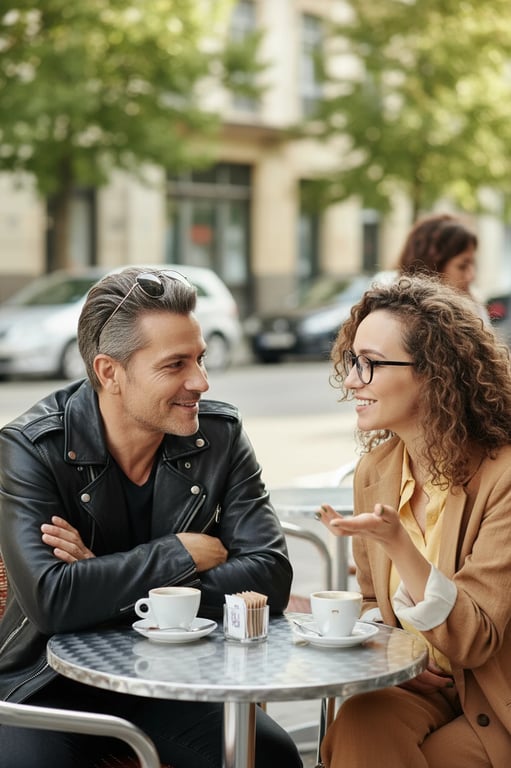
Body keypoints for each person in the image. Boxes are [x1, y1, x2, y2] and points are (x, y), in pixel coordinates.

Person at [0, 267, 302, 768]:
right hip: (43, 682)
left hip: (170, 677)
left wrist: (108, 577)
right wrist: (179, 553)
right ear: (109, 372)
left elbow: (271, 576)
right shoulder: (32, 447)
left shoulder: (219, 436)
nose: (200, 381)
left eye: (200, 359)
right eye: (175, 365)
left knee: (271, 756)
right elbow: (52, 601)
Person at [315, 275, 511, 768]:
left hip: (496, 697)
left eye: (372, 364)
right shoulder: (376, 470)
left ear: (435, 373)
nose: (353, 380)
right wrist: (391, 652)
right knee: (358, 723)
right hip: (422, 687)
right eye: (352, 361)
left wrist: (400, 545)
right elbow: (370, 604)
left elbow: (474, 638)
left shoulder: (502, 476)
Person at [396, 212, 489, 322]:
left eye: (473, 264)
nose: (471, 276)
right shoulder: (399, 319)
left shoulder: (475, 311)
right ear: (431, 268)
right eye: (462, 266)